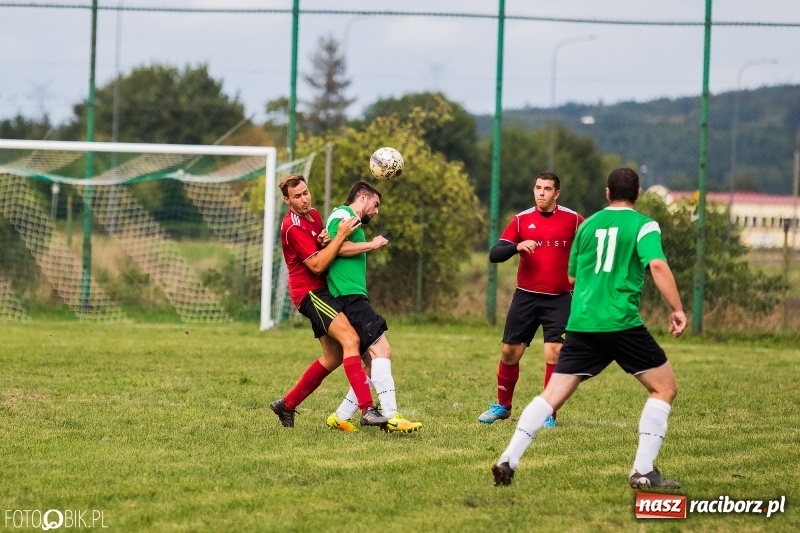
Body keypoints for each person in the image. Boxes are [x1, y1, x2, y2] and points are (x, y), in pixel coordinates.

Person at [491, 167, 687, 489]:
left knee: (551, 394)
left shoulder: (589, 225)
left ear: (608, 193)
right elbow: (657, 264)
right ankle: (642, 471)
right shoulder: (643, 225)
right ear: (638, 194)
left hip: (583, 321)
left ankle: (508, 458)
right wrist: (677, 309)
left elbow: (571, 277)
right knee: (664, 388)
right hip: (620, 322)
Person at [269, 174, 388, 430]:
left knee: (332, 356)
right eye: (297, 196)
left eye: (305, 192)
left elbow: (322, 245)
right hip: (310, 294)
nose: (304, 199)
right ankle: (367, 410)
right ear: (287, 200)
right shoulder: (292, 226)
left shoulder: (313, 215)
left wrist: (326, 238)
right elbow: (317, 264)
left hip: (323, 291)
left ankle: (286, 405)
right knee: (351, 341)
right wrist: (340, 236)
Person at [478, 172, 583, 428]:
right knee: (509, 353)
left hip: (559, 298)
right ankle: (503, 406)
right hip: (526, 296)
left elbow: (591, 248)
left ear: (557, 194)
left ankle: (548, 411)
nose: (541, 193)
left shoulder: (574, 220)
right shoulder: (521, 220)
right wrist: (517, 246)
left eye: (547, 189)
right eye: (538, 188)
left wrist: (582, 274)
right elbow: (495, 254)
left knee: (555, 352)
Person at [323, 181, 423, 434]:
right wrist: (371, 245)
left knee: (370, 362)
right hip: (348, 296)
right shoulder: (343, 215)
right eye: (375, 204)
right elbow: (336, 247)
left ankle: (340, 416)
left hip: (352, 295)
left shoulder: (347, 219)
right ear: (363, 198)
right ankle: (391, 415)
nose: (376, 211)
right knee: (383, 351)